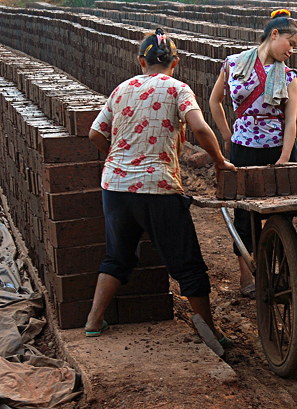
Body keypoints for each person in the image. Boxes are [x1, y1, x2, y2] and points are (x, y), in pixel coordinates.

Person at [84, 28, 237, 351]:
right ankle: (209, 331)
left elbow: (95, 134)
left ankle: (93, 321)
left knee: (118, 257)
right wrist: (220, 160)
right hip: (158, 186)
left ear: (142, 61)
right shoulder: (178, 89)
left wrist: (119, 156)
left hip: (115, 186)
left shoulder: (122, 89)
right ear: (175, 62)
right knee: (187, 263)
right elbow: (199, 126)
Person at [209, 8, 297, 299]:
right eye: (291, 43)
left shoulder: (289, 76)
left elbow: (291, 121)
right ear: (274, 34)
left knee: (282, 212)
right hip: (244, 149)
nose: (292, 51)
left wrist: (285, 158)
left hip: (277, 149)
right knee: (244, 214)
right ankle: (246, 275)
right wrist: (227, 136)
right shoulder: (233, 64)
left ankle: (285, 269)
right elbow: (215, 101)